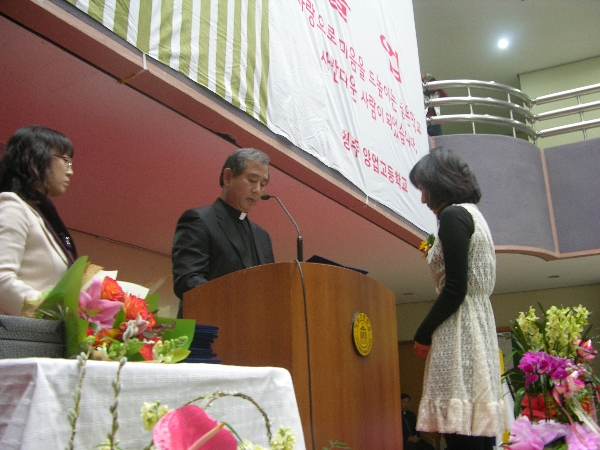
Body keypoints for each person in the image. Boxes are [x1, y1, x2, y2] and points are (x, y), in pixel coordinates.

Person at [409, 147, 504, 450]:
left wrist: (423, 333)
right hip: (478, 324)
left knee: (461, 432)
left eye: (424, 189)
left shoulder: (453, 215)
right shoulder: (474, 215)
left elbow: (455, 288)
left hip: (461, 328)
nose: (423, 199)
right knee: (475, 428)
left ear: (440, 184)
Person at [171, 148, 275, 316]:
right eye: (252, 180)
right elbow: (187, 280)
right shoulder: (199, 220)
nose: (257, 190)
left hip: (254, 328)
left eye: (263, 184)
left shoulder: (263, 237)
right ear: (228, 177)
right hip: (209, 325)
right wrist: (239, 302)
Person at [0, 125, 77, 316]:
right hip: (19, 331)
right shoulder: (12, 206)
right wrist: (49, 312)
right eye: (66, 161)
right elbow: (2, 279)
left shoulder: (38, 214)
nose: (71, 172)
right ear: (37, 156)